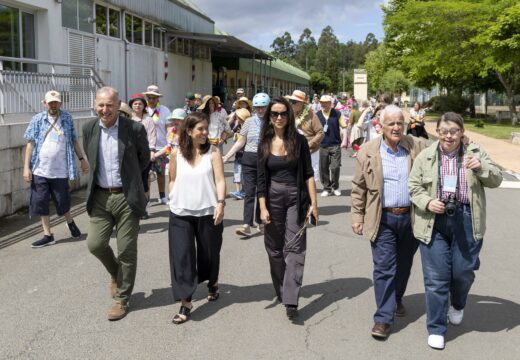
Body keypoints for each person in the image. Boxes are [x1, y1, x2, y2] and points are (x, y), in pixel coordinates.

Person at [408, 112, 502, 350]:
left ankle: (457, 304)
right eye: (443, 131)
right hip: (434, 220)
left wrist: (480, 167)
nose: (448, 136)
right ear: (436, 132)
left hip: (467, 219)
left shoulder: (475, 153)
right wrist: (428, 202)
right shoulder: (426, 156)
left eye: (453, 131)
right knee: (436, 279)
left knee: (462, 273)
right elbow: (413, 186)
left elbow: (497, 179)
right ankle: (437, 327)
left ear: (461, 132)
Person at [351, 105, 426, 339]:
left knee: (403, 266)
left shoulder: (416, 145)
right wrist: (357, 216)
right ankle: (383, 318)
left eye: (399, 123)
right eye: (391, 123)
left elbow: (444, 148)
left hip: (411, 218)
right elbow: (358, 186)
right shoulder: (368, 151)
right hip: (382, 218)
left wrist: (462, 140)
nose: (396, 128)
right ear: (380, 126)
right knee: (384, 268)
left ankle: (396, 298)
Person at [82, 87, 150, 321]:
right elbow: (91, 159)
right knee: (95, 244)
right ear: (95, 105)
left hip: (126, 197)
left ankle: (122, 299)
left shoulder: (134, 129)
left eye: (109, 105)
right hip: (100, 196)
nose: (105, 109)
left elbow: (144, 159)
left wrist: (133, 183)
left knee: (127, 250)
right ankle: (116, 274)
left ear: (119, 105)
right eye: (101, 105)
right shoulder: (89, 128)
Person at [257, 96, 318, 319]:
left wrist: (313, 203)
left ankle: (291, 300)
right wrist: (262, 207)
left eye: (283, 113)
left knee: (294, 246)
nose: (279, 117)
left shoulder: (299, 141)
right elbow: (261, 179)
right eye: (275, 114)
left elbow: (309, 174)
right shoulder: (264, 141)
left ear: (289, 116)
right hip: (271, 197)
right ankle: (283, 290)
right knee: (274, 249)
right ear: (269, 117)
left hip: (295, 196)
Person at [167, 112, 226, 325]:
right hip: (180, 212)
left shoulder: (214, 152)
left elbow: (219, 180)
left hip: (208, 212)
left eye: (206, 129)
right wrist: (173, 197)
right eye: (200, 129)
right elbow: (172, 179)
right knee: (182, 257)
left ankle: (212, 283)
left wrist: (220, 203)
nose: (204, 133)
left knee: (209, 253)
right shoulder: (176, 153)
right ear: (189, 131)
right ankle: (186, 301)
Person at [23, 90, 89, 248]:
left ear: (60, 103)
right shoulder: (38, 119)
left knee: (62, 200)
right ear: (44, 103)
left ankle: (70, 222)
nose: (53, 105)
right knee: (41, 202)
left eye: (56, 102)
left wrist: (82, 159)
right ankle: (48, 234)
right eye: (50, 102)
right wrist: (26, 167)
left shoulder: (66, 118)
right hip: (40, 169)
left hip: (60, 170)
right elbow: (30, 144)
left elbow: (74, 140)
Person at [223, 93, 270, 237]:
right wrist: (227, 156)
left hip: (266, 159)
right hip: (249, 158)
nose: (260, 110)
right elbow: (240, 141)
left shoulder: (273, 121)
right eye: (257, 108)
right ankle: (246, 224)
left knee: (262, 191)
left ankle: (260, 221)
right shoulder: (249, 121)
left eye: (263, 107)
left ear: (268, 107)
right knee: (249, 192)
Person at [129, 93, 156, 219]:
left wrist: (151, 152)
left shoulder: (148, 120)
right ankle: (134, 208)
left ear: (144, 105)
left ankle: (144, 208)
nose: (137, 105)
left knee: (144, 182)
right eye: (135, 103)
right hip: (130, 155)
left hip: (145, 155)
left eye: (140, 103)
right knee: (132, 182)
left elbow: (152, 136)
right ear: (131, 105)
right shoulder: (128, 119)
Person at [287, 90, 324, 182]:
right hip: (293, 150)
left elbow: (320, 132)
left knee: (310, 176)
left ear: (301, 103)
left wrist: (309, 144)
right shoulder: (288, 113)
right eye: (291, 101)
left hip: (310, 151)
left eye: (294, 102)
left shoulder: (311, 115)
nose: (291, 103)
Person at [143, 85, 171, 205]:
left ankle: (162, 196)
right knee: (147, 174)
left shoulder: (164, 110)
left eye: (154, 97)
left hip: (160, 147)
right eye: (149, 97)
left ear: (158, 97)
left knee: (160, 173)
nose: (151, 99)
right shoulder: (142, 109)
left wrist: (170, 143)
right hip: (145, 147)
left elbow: (169, 128)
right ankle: (146, 198)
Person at [316, 95, 348, 197]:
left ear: (330, 103)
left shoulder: (337, 113)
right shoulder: (317, 114)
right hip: (322, 145)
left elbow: (344, 127)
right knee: (323, 168)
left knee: (335, 167)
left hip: (335, 144)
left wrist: (345, 140)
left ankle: (335, 186)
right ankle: (327, 188)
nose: (323, 104)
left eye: (325, 102)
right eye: (322, 102)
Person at [228, 108, 251, 200]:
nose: (237, 118)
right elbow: (230, 133)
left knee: (245, 174)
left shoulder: (249, 126)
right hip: (238, 153)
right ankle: (238, 191)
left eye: (238, 117)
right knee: (237, 172)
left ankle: (244, 191)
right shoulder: (237, 126)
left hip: (246, 153)